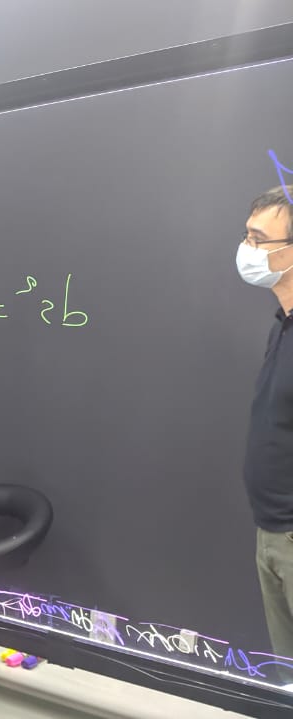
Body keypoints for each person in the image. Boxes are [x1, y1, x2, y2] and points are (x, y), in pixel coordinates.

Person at [239, 185, 293, 682]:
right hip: (272, 532)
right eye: (246, 236)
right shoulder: (283, 323)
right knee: (287, 680)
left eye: (259, 239)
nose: (247, 250)